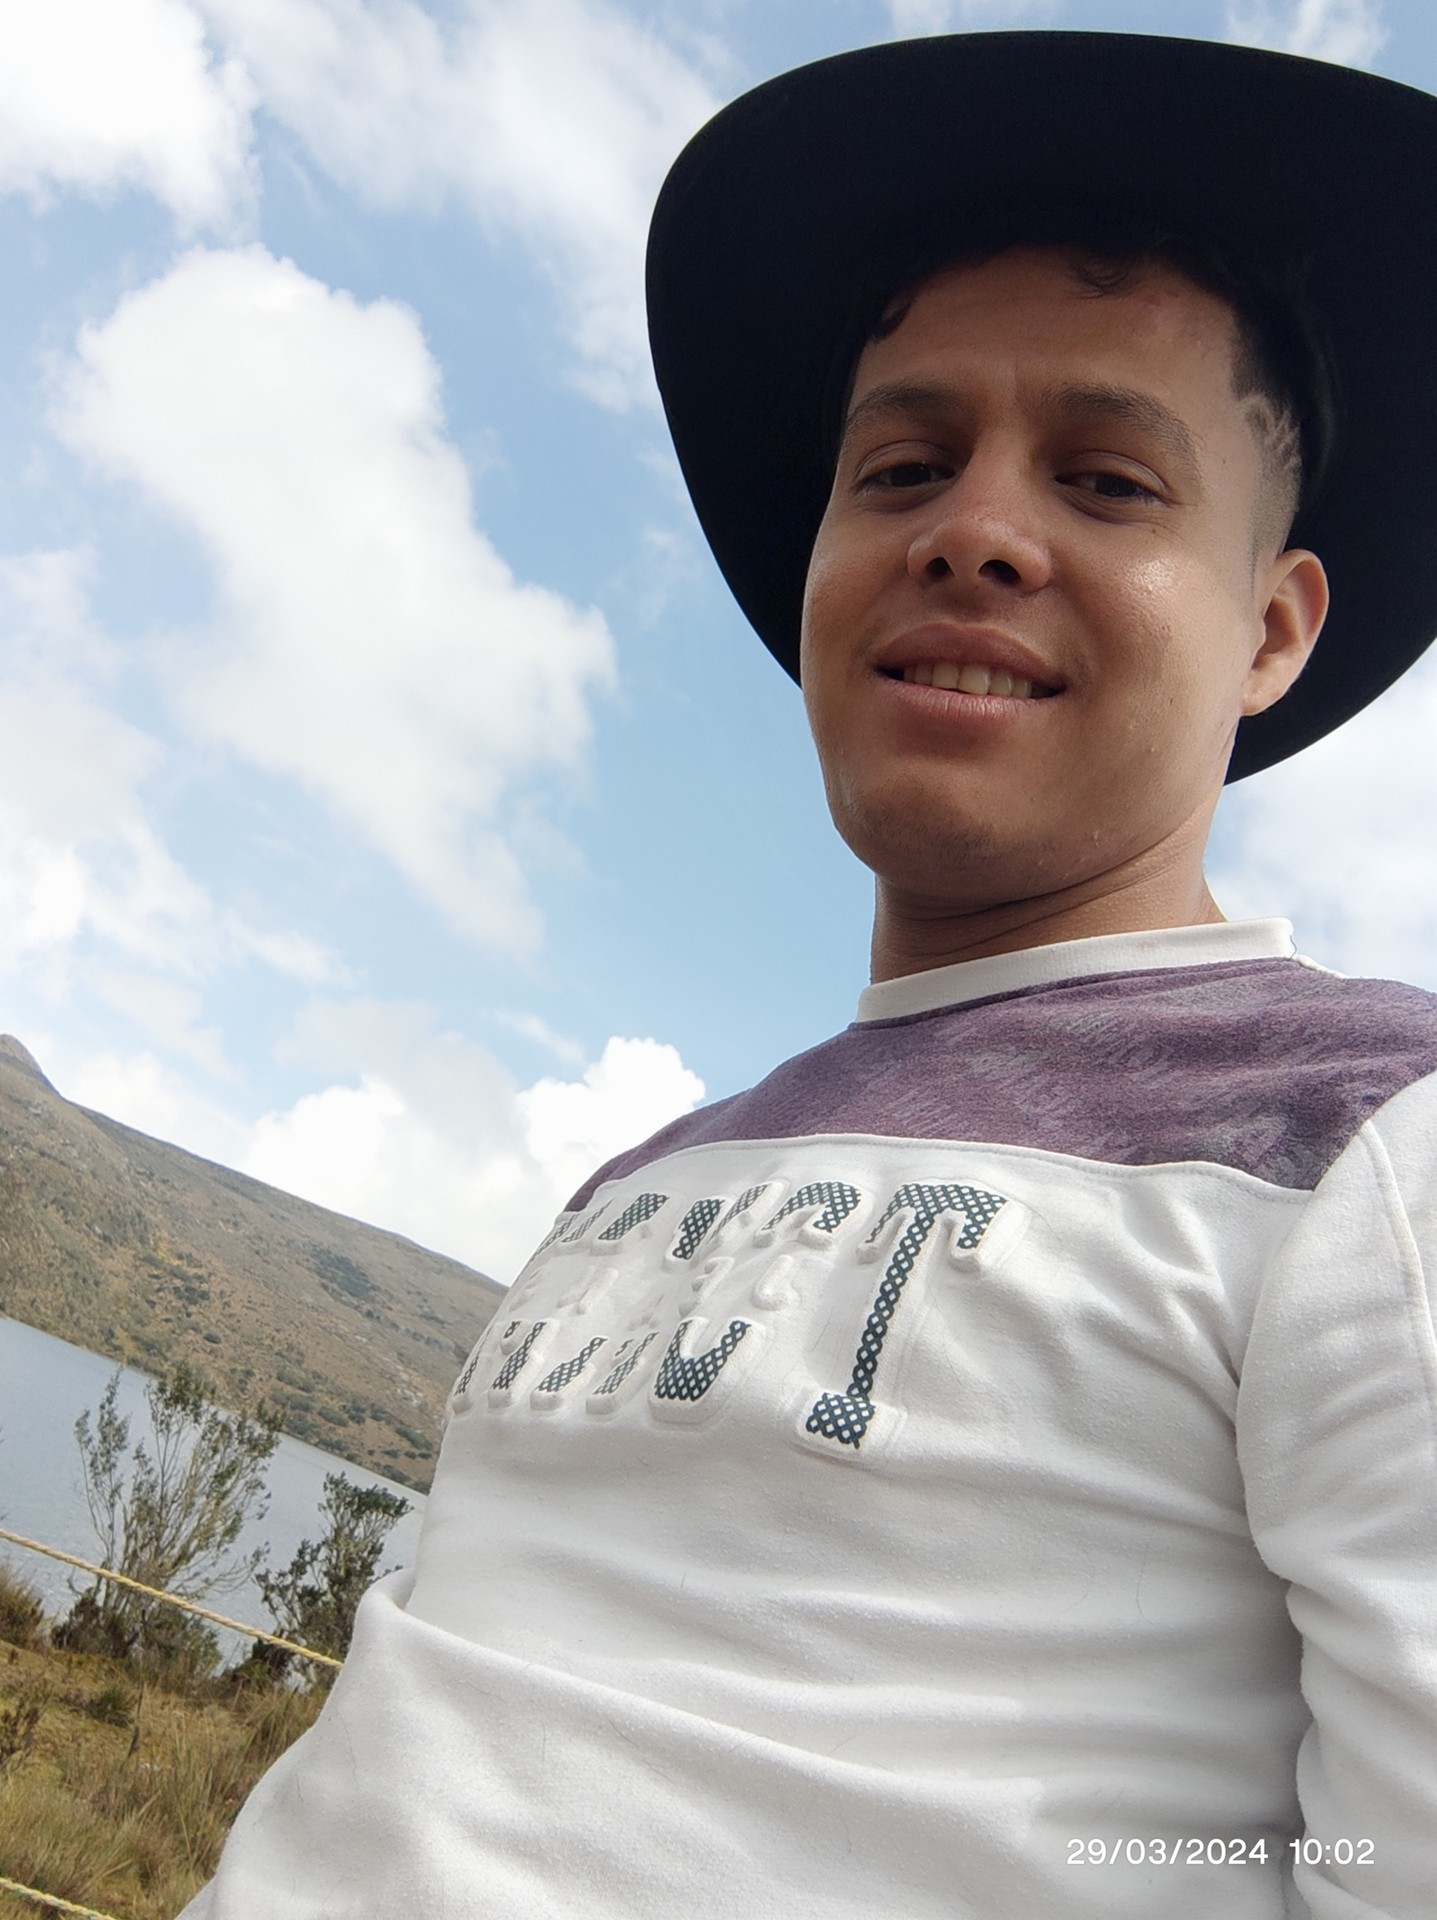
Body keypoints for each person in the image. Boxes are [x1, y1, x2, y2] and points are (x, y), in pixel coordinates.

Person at [182, 30, 1437, 1920]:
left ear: (1270, 629)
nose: (971, 530)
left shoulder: (1368, 1149)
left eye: (1106, 481)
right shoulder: (642, 1177)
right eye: (901, 466)